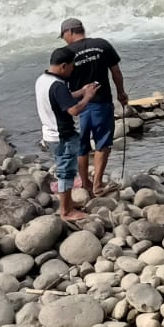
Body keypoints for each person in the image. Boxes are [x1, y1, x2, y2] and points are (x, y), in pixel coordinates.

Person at [58, 19, 128, 196]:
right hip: (101, 102)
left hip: (77, 106)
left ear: (70, 32)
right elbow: (116, 72)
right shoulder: (101, 45)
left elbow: (59, 82)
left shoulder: (66, 53)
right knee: (102, 143)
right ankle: (97, 184)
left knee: (82, 144)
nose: (64, 39)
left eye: (63, 35)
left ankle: (86, 183)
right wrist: (121, 93)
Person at [36, 46, 102, 222]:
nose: (73, 70)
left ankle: (69, 204)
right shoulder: (58, 85)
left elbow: (61, 98)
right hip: (62, 136)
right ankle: (65, 211)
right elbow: (73, 110)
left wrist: (81, 91)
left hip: (49, 133)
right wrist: (87, 97)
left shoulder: (43, 79)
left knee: (64, 169)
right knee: (66, 172)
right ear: (63, 66)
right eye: (72, 67)